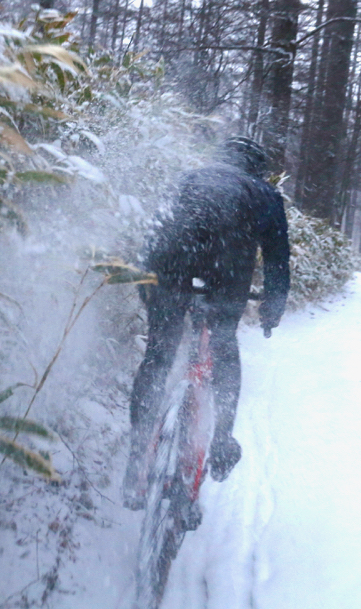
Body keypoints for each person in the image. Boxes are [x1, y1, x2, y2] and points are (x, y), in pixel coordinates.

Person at [123, 136, 290, 509]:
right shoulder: (263, 192)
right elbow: (277, 258)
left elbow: (158, 226)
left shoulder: (189, 178)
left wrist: (148, 283)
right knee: (224, 340)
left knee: (159, 353)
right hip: (226, 266)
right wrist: (271, 309)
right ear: (257, 169)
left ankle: (136, 457)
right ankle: (222, 441)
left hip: (169, 257)